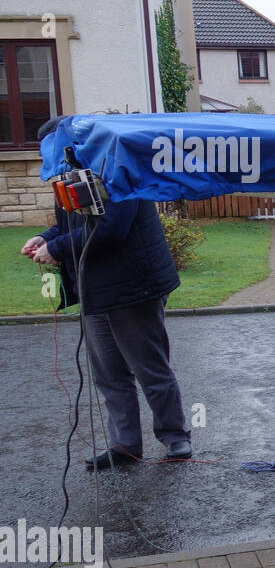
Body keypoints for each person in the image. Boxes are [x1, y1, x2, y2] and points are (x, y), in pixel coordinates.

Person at [21, 191, 192, 470]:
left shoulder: (116, 164)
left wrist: (57, 248)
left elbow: (111, 227)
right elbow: (73, 224)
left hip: (133, 286)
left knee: (150, 369)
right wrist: (47, 238)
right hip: (94, 289)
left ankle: (175, 437)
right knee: (109, 374)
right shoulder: (70, 169)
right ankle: (124, 445)